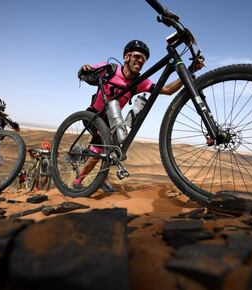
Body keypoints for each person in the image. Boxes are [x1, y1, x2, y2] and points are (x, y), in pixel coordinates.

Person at [75, 40, 205, 193]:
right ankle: (78, 182)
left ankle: (100, 177)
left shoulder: (139, 82)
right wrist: (84, 69)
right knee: (101, 149)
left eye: (143, 59)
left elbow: (168, 90)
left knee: (113, 147)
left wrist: (190, 70)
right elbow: (84, 72)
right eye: (137, 57)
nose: (140, 61)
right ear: (126, 57)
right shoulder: (109, 69)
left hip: (111, 120)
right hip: (93, 115)